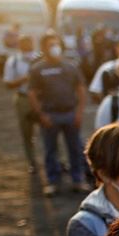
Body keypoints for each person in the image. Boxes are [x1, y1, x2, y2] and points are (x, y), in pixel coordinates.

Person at [28, 34, 89, 197]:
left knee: (75, 148)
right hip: (50, 115)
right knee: (50, 150)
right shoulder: (37, 69)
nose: (54, 47)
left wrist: (79, 112)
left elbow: (81, 89)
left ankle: (78, 180)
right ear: (44, 48)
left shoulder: (71, 67)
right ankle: (52, 182)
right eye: (50, 45)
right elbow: (32, 94)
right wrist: (41, 115)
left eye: (56, 44)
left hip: (70, 113)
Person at [3, 35, 39, 173]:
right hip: (23, 99)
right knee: (27, 132)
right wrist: (25, 79)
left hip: (41, 99)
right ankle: (32, 162)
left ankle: (56, 161)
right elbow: (8, 83)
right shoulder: (13, 61)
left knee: (49, 130)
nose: (27, 46)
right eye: (24, 43)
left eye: (29, 42)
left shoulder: (39, 58)